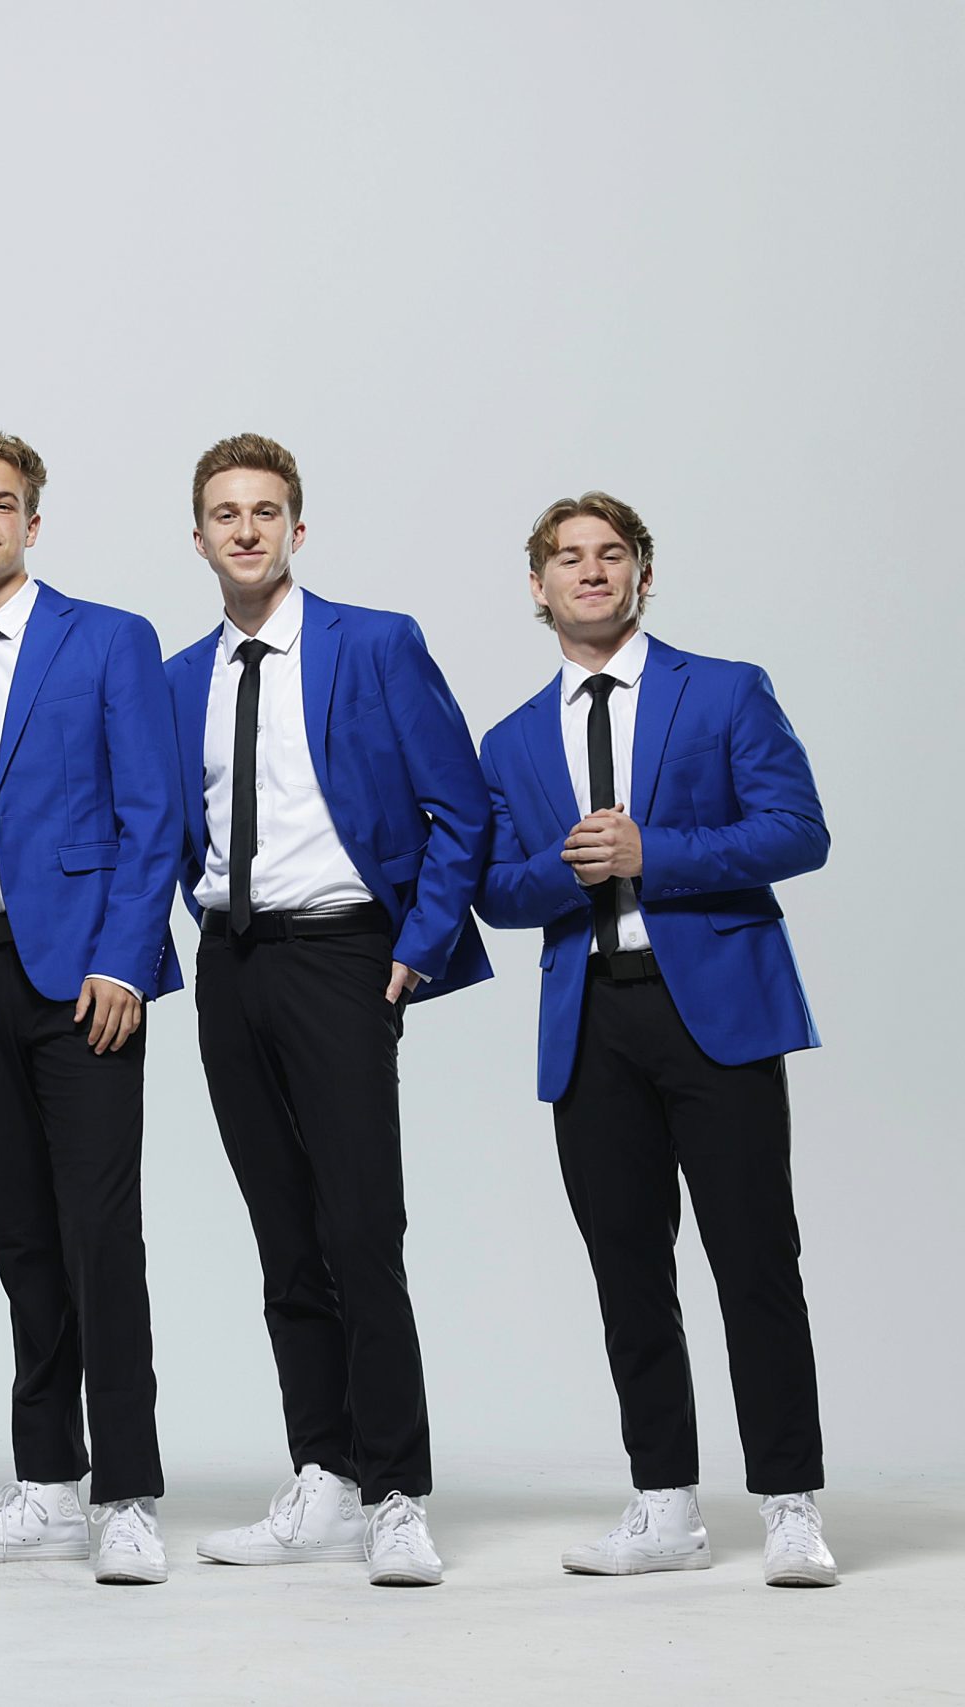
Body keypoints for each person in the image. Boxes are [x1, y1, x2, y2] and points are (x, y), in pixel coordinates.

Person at [475, 491, 836, 1587]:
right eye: (567, 559)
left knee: (753, 1258)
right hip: (590, 1016)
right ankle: (663, 1502)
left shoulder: (723, 691)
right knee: (626, 1268)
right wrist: (576, 866)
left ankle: (788, 1502)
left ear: (640, 574)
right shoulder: (512, 738)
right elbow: (496, 888)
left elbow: (797, 830)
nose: (590, 572)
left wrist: (650, 852)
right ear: (535, 586)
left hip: (713, 1009)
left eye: (610, 554)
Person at [164, 433, 490, 1588]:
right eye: (223, 513)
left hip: (344, 956)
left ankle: (399, 1491)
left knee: (361, 1228)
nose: (245, 530)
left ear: (297, 530)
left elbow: (460, 805)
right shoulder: (175, 677)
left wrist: (417, 946)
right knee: (282, 1236)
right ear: (196, 537)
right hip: (231, 964)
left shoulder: (374, 645)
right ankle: (325, 1476)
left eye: (265, 511)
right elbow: (168, 832)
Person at [0, 430, 182, 1585]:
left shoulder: (107, 641)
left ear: (32, 523)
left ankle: (128, 1497)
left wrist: (122, 961)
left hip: (84, 980)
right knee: (24, 1236)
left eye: (2, 503)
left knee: (102, 1233)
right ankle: (47, 1483)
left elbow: (149, 814)